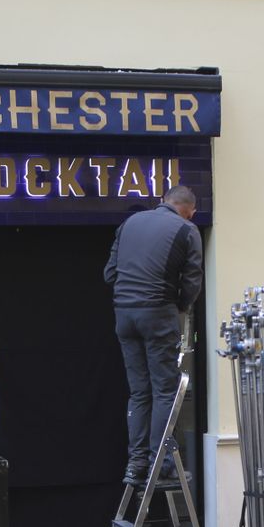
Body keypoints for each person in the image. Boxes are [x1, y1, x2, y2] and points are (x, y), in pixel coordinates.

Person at [104, 185, 203, 485]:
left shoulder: (129, 223)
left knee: (139, 392)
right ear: (191, 211)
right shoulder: (187, 230)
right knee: (165, 390)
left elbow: (110, 274)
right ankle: (160, 465)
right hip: (158, 313)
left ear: (163, 201)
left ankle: (136, 465)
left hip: (124, 315)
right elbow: (191, 285)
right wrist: (179, 308)